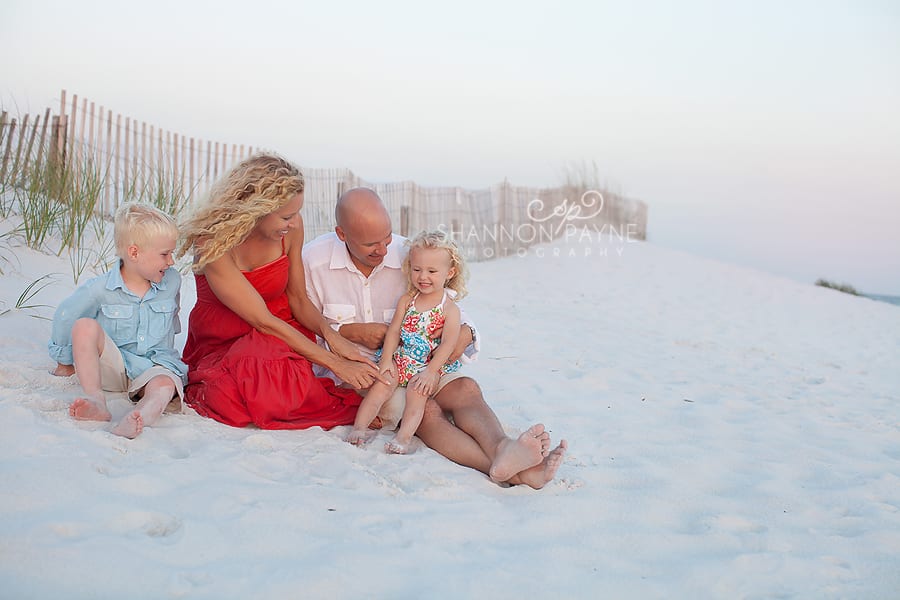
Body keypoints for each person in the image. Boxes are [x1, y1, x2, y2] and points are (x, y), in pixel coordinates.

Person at [304, 187, 567, 488]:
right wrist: (349, 333)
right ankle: (512, 471)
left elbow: (455, 315)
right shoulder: (313, 262)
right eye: (370, 244)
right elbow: (303, 329)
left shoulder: (410, 254)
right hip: (374, 374)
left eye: (387, 236)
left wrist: (464, 335)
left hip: (425, 364)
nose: (383, 248)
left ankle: (505, 450)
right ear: (342, 234)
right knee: (426, 409)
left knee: (467, 388)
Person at [178, 154, 384, 430]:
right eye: (286, 216)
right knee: (230, 395)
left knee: (279, 374)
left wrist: (332, 336)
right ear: (255, 210)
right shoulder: (212, 244)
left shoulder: (292, 230)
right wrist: (337, 364)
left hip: (279, 335)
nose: (295, 222)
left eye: (297, 212)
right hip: (225, 339)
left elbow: (298, 299)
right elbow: (261, 320)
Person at [49, 202, 186, 439]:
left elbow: (173, 317)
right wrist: (64, 361)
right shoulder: (101, 288)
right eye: (165, 254)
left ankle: (141, 415)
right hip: (114, 366)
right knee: (84, 326)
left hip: (153, 367)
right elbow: (65, 315)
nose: (171, 261)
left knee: (164, 386)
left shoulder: (171, 281)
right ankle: (97, 401)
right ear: (134, 253)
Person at [347, 230, 466, 454]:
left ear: (449, 273)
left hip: (426, 365)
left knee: (416, 395)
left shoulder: (449, 309)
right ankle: (359, 428)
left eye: (432, 271)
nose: (423, 277)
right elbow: (393, 332)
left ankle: (403, 439)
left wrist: (431, 372)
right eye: (417, 269)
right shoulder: (407, 300)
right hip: (401, 358)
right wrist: (387, 360)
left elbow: (449, 344)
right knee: (380, 387)